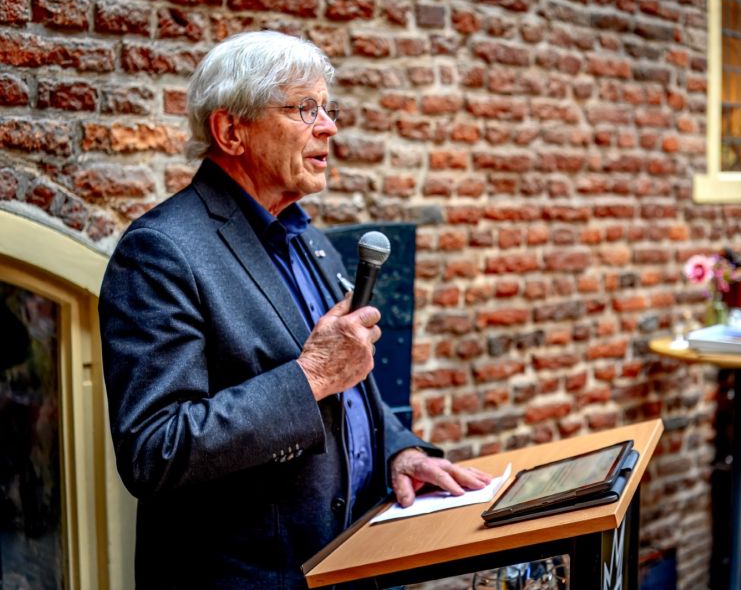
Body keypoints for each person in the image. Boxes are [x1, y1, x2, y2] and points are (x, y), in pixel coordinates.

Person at [99, 31, 491, 589]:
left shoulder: (308, 238)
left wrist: (399, 452)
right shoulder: (161, 251)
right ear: (231, 131)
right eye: (305, 108)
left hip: (349, 564)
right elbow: (155, 450)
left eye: (327, 108)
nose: (328, 127)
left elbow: (351, 387)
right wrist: (310, 377)